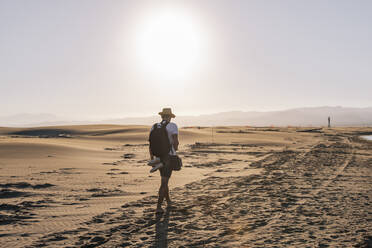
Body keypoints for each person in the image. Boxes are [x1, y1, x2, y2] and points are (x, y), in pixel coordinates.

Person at [149, 108, 179, 213]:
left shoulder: (154, 126)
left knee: (164, 179)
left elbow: (150, 144)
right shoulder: (173, 126)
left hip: (158, 157)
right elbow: (175, 141)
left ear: (162, 116)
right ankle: (158, 206)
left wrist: (152, 159)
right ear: (170, 117)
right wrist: (175, 150)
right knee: (164, 182)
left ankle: (169, 202)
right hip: (168, 157)